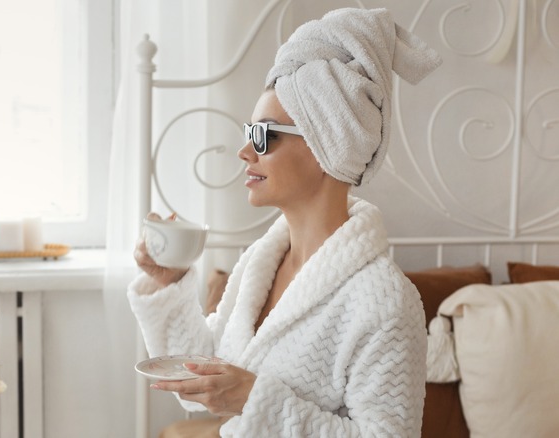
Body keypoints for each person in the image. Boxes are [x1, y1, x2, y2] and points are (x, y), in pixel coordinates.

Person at [128, 8, 441, 437]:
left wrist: (256, 401)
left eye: (264, 135)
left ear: (327, 143)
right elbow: (210, 377)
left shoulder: (384, 301)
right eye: (248, 133)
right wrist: (169, 282)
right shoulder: (261, 262)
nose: (245, 152)